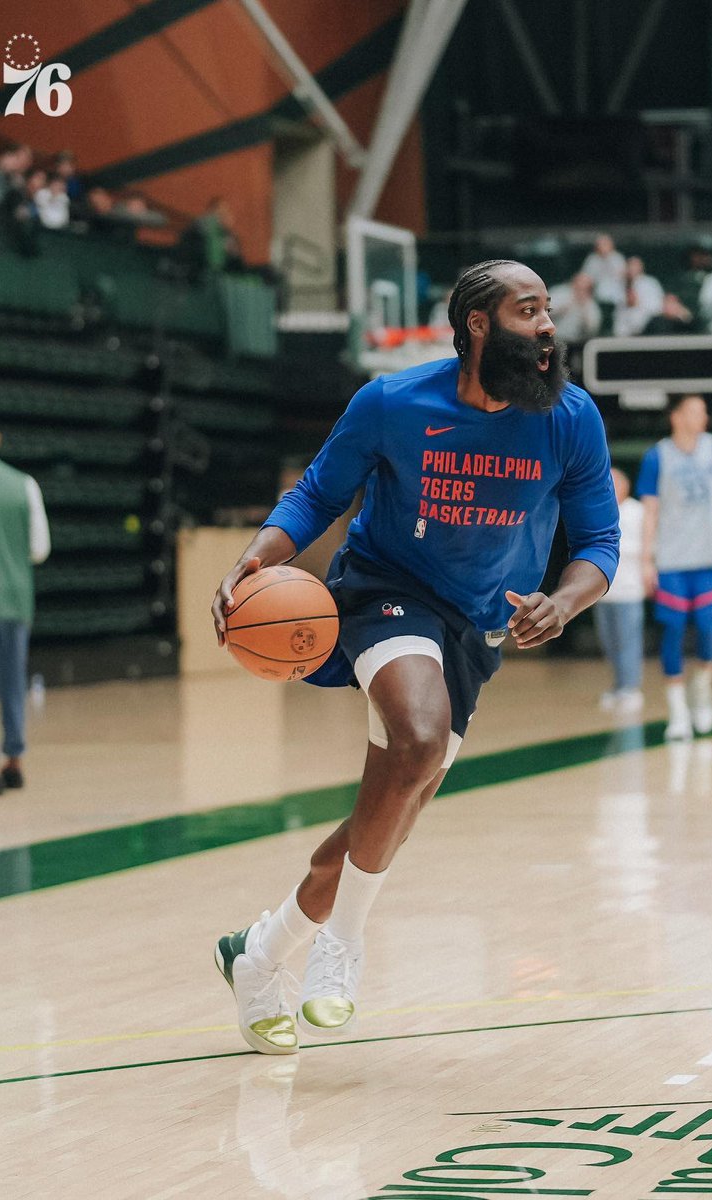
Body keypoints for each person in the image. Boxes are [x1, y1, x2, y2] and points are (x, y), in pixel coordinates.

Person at [211, 259, 620, 1055]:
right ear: (478, 325)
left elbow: (600, 542)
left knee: (390, 815)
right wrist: (258, 556)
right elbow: (318, 494)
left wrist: (563, 602)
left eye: (548, 312)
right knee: (421, 737)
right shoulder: (394, 402)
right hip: (385, 589)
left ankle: (257, 956)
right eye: (528, 311)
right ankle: (345, 946)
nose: (547, 328)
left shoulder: (569, 417)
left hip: (479, 627)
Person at [637, 394, 712, 741]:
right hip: (671, 562)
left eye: (705, 410)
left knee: (709, 631)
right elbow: (650, 510)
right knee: (673, 632)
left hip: (709, 558)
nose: (703, 417)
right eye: (696, 411)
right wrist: (646, 559)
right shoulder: (657, 456)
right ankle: (678, 710)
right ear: (676, 416)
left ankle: (702, 686)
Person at [0, 414, 51, 795]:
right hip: (16, 601)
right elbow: (38, 549)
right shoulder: (25, 484)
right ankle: (15, 761)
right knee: (13, 681)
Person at [594, 468, 644, 714]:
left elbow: (647, 546)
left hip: (630, 590)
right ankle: (618, 685)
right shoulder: (600, 510)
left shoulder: (637, 512)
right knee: (609, 641)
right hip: (604, 592)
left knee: (628, 641)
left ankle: (631, 688)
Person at [547, 272, 602, 341]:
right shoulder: (559, 292)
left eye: (585, 288)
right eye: (578, 286)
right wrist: (562, 308)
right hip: (552, 338)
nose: (580, 291)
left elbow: (592, 329)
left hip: (576, 342)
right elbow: (545, 311)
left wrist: (584, 309)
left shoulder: (590, 305)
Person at [580, 233, 627, 305]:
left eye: (605, 244)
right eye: (600, 244)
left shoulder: (618, 258)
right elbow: (585, 277)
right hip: (596, 290)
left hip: (617, 291)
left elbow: (622, 277)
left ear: (611, 245)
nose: (602, 247)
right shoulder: (591, 259)